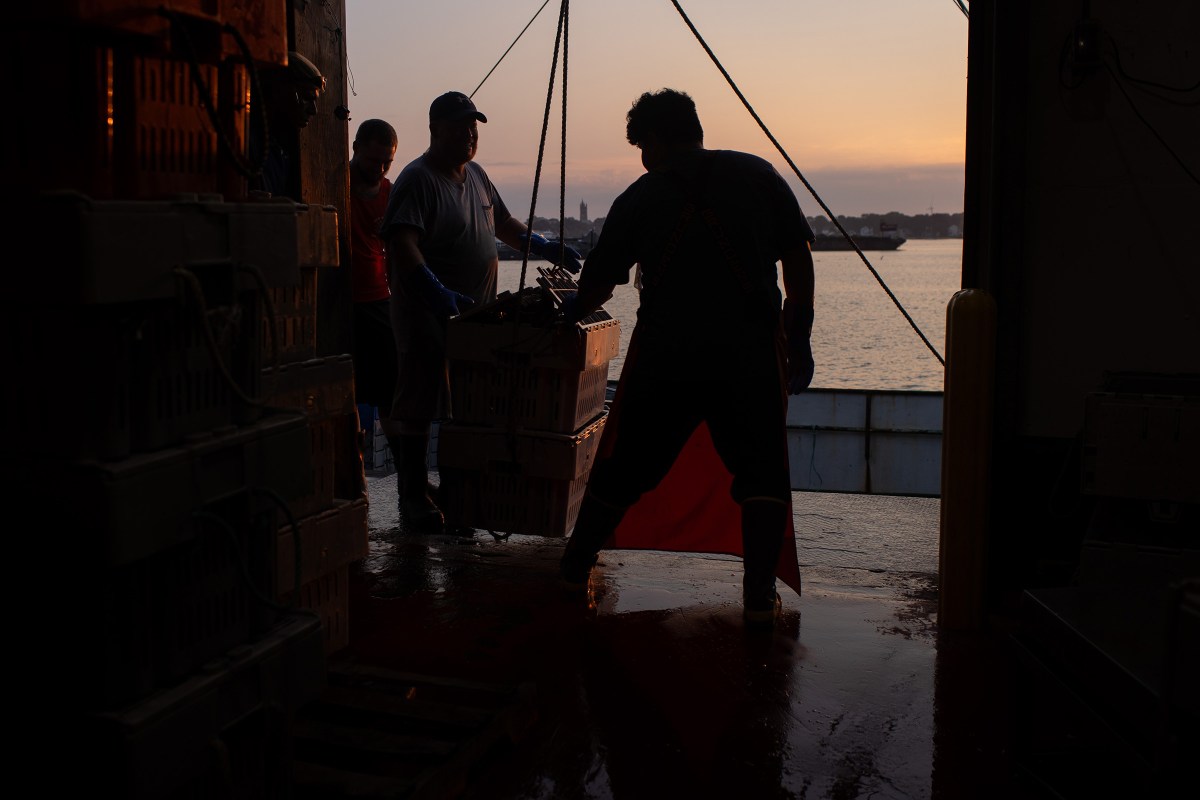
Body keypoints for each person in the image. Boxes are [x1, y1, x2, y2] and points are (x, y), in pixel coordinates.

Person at [556, 88, 816, 628]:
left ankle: (573, 566)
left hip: (667, 357)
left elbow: (597, 285)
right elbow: (797, 255)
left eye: (642, 147)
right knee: (762, 472)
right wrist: (801, 332)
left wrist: (558, 315)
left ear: (654, 140)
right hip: (748, 356)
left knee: (627, 467)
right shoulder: (759, 176)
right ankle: (757, 596)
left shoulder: (641, 197)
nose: (643, 159)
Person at [379, 90, 582, 532]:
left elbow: (506, 226)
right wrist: (433, 289)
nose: (470, 135)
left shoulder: (478, 176)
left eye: (474, 127)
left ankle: (456, 493)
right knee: (415, 405)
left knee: (465, 408)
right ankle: (413, 497)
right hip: (426, 314)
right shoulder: (417, 179)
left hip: (475, 321)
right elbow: (403, 243)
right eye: (460, 126)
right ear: (435, 129)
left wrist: (544, 246)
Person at [348, 119, 400, 451]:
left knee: (389, 388)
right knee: (344, 384)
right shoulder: (331, 180)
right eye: (373, 161)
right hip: (340, 300)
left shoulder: (390, 193)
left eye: (387, 162)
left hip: (380, 300)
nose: (380, 168)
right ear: (355, 149)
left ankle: (402, 462)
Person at [248, 51, 326, 200]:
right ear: (278, 91)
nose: (313, 110)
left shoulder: (277, 151)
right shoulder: (245, 143)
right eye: (306, 98)